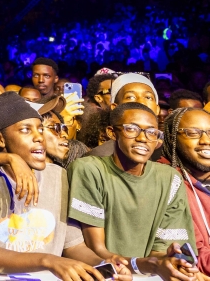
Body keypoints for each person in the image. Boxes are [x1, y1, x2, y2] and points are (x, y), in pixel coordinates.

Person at [0, 92, 124, 281]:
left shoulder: (59, 176)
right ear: (0, 139)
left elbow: (74, 247)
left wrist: (104, 263)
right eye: (26, 130)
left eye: (40, 129)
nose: (38, 137)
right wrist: (48, 261)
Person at [69, 102, 197, 281]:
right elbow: (97, 249)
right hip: (107, 274)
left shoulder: (169, 177)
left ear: (158, 140)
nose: (142, 138)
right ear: (112, 133)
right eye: (132, 129)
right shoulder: (90, 170)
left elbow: (159, 252)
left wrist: (169, 262)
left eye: (151, 132)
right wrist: (149, 264)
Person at [161, 107, 210, 273]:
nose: (205, 140)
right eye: (193, 133)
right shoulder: (167, 181)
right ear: (172, 138)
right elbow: (193, 254)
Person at [89, 73, 162, 159]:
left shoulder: (170, 151)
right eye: (130, 97)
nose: (140, 102)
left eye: (148, 97)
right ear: (115, 107)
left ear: (157, 109)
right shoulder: (100, 156)